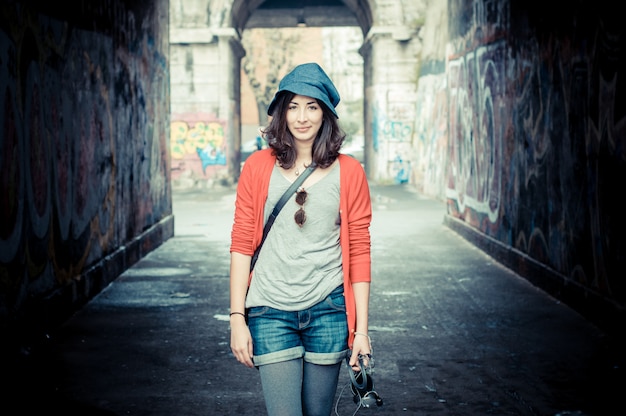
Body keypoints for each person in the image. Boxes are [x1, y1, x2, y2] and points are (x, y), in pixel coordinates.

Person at [229, 62, 373, 416]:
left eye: (312, 106)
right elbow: (241, 243)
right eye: (293, 106)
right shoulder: (257, 167)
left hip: (328, 309)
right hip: (269, 310)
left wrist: (362, 331)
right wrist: (236, 317)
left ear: (325, 113)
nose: (302, 117)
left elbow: (360, 253)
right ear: (281, 113)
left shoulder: (349, 171)